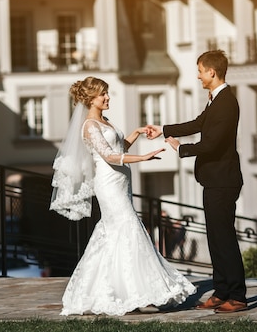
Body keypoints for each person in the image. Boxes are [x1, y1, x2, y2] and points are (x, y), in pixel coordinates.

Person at [50, 76, 196, 316]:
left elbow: (120, 148)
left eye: (107, 92)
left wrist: (137, 132)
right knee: (129, 229)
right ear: (90, 99)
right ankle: (139, 293)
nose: (107, 97)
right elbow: (108, 156)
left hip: (121, 183)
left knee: (116, 234)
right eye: (102, 94)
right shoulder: (89, 126)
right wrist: (143, 158)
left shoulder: (105, 122)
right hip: (108, 186)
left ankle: (122, 291)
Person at [147, 49, 248, 313]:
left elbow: (213, 143)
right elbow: (199, 123)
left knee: (224, 239)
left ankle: (237, 295)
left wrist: (182, 149)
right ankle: (222, 291)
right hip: (213, 180)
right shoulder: (216, 99)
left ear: (212, 72)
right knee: (215, 238)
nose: (199, 76)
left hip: (223, 181)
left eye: (201, 71)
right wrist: (164, 130)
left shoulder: (227, 102)